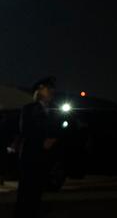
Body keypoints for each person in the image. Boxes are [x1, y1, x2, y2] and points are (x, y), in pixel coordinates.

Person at [14, 76, 59, 218]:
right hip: (30, 156)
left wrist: (54, 139)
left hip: (44, 157)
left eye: (52, 88)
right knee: (26, 190)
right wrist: (42, 142)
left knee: (38, 190)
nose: (51, 91)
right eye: (48, 88)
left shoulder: (53, 110)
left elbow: (59, 128)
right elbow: (25, 130)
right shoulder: (29, 109)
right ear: (39, 91)